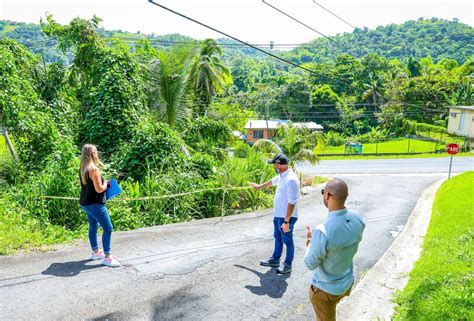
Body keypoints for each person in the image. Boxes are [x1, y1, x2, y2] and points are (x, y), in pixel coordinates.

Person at [304, 179, 365, 321]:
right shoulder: (357, 218)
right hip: (346, 283)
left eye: (323, 192)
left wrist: (309, 244)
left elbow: (310, 263)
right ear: (347, 195)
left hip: (325, 291)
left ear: (327, 196)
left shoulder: (323, 231)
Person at [250, 153, 300, 274]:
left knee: (288, 241)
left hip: (287, 217)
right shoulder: (283, 176)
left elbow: (292, 202)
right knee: (277, 237)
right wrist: (259, 187)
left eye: (274, 164)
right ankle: (275, 259)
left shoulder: (291, 179)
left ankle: (288, 265)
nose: (273, 167)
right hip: (278, 215)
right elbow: (273, 181)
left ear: (278, 165)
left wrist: (287, 221)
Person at [79, 144, 121, 267]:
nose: (97, 154)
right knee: (108, 228)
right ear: (92, 154)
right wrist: (106, 184)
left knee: (93, 225)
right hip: (95, 204)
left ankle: (96, 252)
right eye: (96, 152)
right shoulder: (94, 169)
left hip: (85, 203)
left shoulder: (83, 168)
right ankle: (107, 257)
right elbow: (99, 189)